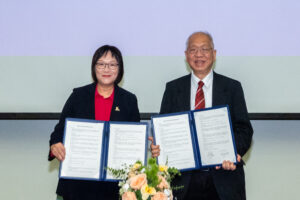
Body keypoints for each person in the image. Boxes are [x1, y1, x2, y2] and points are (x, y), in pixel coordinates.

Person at [49, 45, 152, 200]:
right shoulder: (78, 96)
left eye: (112, 64)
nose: (106, 69)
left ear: (119, 69)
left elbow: (133, 140)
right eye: (101, 64)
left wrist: (142, 144)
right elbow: (59, 132)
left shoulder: (129, 100)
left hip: (113, 187)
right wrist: (55, 145)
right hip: (77, 184)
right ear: (94, 67)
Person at [159, 32, 253, 200]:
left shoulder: (232, 87)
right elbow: (165, 130)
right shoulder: (173, 88)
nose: (199, 55)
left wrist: (233, 152)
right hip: (183, 181)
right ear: (186, 55)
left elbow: (244, 129)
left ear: (214, 54)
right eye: (193, 50)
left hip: (224, 178)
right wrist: (159, 144)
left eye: (204, 49)